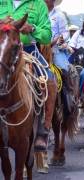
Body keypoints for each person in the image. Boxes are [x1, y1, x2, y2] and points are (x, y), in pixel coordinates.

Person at [0, 0, 57, 151]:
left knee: (50, 81)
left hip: (28, 51)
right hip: (2, 50)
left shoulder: (39, 4)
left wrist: (32, 28)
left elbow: (47, 36)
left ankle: (43, 130)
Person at [45, 0, 70, 72]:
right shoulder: (39, 14)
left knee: (64, 69)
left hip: (55, 49)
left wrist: (60, 38)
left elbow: (65, 32)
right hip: (39, 48)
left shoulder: (60, 15)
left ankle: (66, 83)